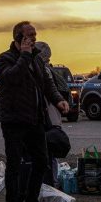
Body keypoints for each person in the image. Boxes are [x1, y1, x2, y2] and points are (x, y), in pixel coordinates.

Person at [0, 21, 69, 202]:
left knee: (41, 161)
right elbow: (11, 79)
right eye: (30, 35)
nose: (34, 38)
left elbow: (47, 85)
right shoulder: (5, 59)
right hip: (14, 121)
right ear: (18, 38)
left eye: (35, 35)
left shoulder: (37, 59)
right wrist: (24, 55)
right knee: (14, 165)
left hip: (35, 120)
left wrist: (58, 100)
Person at [34, 41, 68, 188]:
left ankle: (49, 183)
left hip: (48, 115)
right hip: (52, 115)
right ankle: (50, 182)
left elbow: (48, 93)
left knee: (48, 150)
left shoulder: (44, 70)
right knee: (49, 151)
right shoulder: (49, 69)